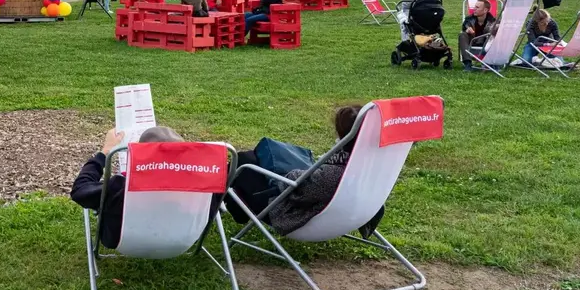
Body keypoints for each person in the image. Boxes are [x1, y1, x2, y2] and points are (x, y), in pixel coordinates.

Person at [226, 106, 381, 237]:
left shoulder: (333, 175)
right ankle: (234, 209)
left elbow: (292, 187)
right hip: (345, 214)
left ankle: (223, 211)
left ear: (345, 139)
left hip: (292, 214)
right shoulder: (372, 168)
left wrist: (297, 173)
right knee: (254, 158)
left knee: (242, 163)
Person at [71, 126, 223, 249]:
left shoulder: (118, 187)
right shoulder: (205, 189)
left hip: (123, 242)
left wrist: (105, 151)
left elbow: (80, 190)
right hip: (183, 243)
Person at [459, 0, 497, 72]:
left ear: (485, 10)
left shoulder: (493, 21)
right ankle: (468, 63)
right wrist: (466, 30)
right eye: (474, 7)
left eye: (477, 7)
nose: (474, 9)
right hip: (471, 42)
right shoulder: (469, 19)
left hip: (486, 45)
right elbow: (464, 28)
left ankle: (491, 62)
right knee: (462, 35)